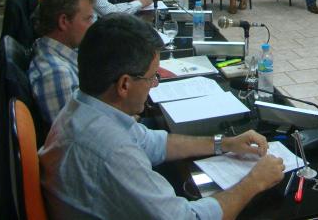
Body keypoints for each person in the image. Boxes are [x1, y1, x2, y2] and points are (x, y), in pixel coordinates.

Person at [38, 14, 285, 220]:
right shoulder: (112, 151)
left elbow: (153, 143)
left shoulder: (85, 104)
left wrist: (225, 143)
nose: (154, 85)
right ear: (124, 84)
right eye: (151, 78)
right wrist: (255, 182)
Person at [28, 0, 95, 125]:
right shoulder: (56, 74)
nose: (92, 26)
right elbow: (74, 134)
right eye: (88, 19)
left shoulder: (45, 45)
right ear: (64, 22)